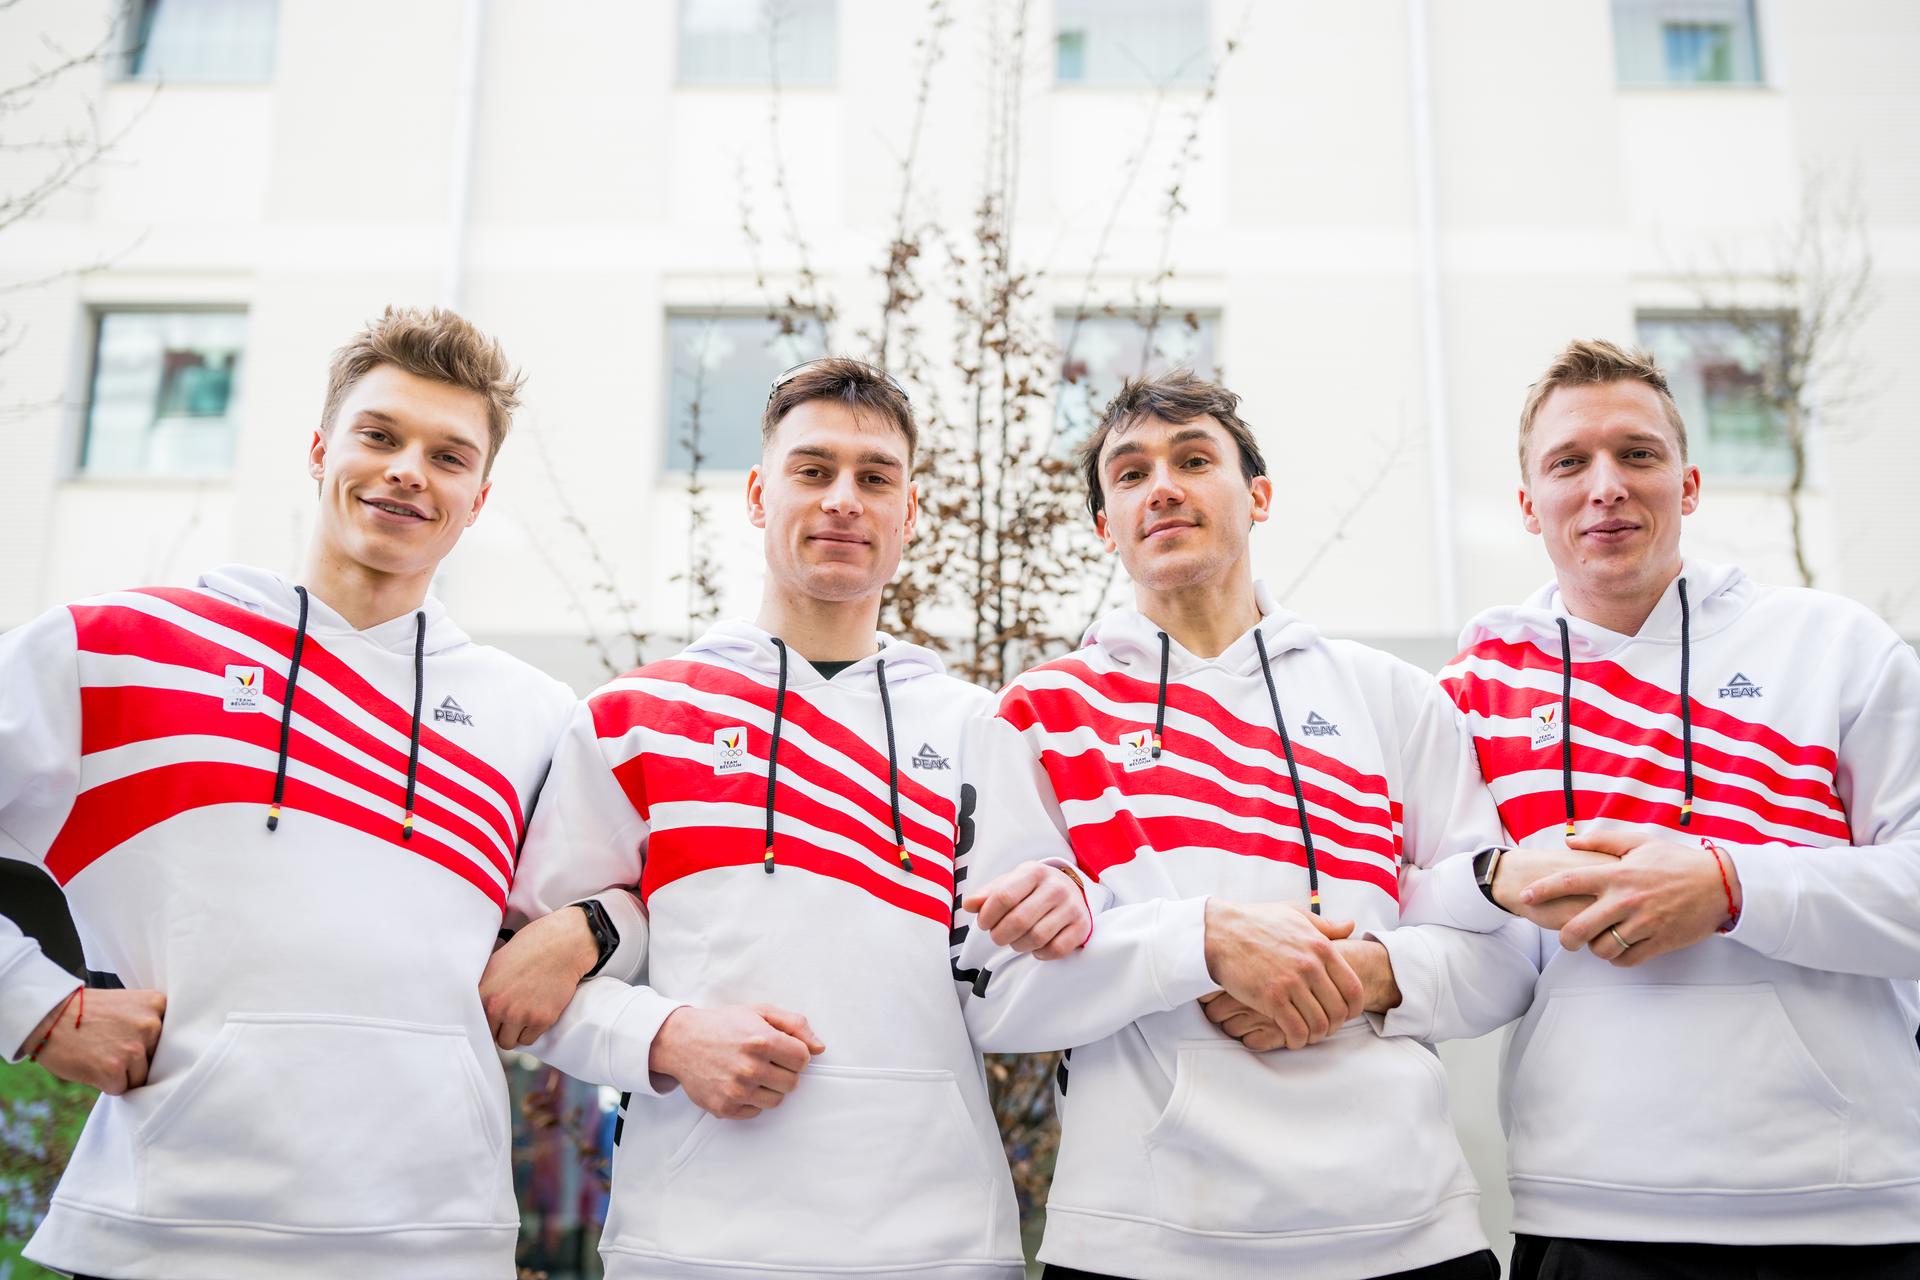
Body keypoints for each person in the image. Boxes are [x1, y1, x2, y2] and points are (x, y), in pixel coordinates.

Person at [0, 307, 633, 1280]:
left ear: (478, 497)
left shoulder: (539, 716)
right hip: (166, 1234)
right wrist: (33, 1004)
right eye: (379, 435)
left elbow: (657, 893)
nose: (408, 470)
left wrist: (592, 926)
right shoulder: (115, 650)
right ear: (318, 451)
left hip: (435, 1241)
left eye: (447, 455)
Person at [481, 358, 1107, 1279]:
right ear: (757, 494)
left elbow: (1029, 973)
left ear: (910, 511)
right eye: (813, 470)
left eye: (875, 477)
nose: (843, 499)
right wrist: (663, 1037)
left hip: (939, 1249)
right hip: (688, 1247)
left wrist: (1075, 898)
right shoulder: (629, 720)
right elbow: (527, 987)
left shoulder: (981, 730)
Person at [952, 371, 1538, 1280]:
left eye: (1194, 461)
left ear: (1258, 497)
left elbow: (1507, 958)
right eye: (1131, 474)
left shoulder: (1393, 699)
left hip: (1408, 1233)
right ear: (1106, 526)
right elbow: (996, 995)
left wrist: (1371, 975)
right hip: (1142, 1247)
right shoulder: (1038, 716)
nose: (1163, 488)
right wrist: (1203, 942)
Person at [1420, 338, 1920, 1279]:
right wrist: (1489, 877)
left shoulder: (1835, 646)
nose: (1606, 486)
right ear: (1529, 505)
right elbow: (1426, 905)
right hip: (1589, 1204)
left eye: (1637, 454)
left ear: (1688, 486)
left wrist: (1732, 887)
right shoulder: (1470, 692)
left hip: (1851, 1207)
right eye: (1569, 463)